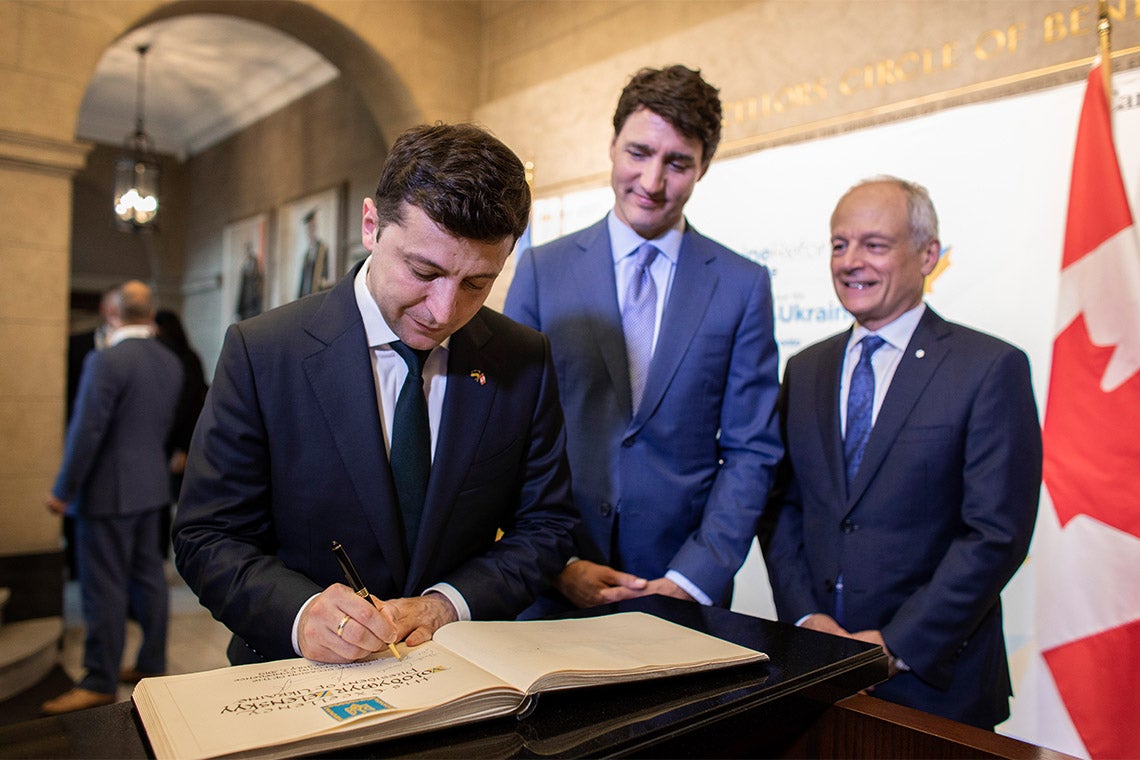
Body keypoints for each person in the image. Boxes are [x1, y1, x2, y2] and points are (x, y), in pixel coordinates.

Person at [173, 123, 578, 666]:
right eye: (423, 270)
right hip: (295, 672)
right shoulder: (264, 351)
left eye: (477, 284)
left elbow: (547, 526)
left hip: (460, 671)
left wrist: (447, 605)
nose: (443, 311)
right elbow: (208, 535)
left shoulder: (523, 358)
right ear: (371, 226)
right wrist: (298, 614)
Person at [762, 176, 1042, 729]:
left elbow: (995, 532)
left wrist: (895, 643)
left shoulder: (988, 368)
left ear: (928, 254)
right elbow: (781, 506)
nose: (849, 261)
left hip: (934, 684)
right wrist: (805, 616)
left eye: (874, 244)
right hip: (817, 668)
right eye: (839, 244)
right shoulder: (806, 369)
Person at [504, 65, 782, 614]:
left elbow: (753, 449)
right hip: (553, 581)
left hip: (681, 591)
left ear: (703, 167)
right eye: (638, 153)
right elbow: (506, 437)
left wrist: (695, 574)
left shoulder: (742, 285)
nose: (652, 183)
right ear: (611, 146)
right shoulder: (542, 270)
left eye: (677, 163)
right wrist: (556, 563)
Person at [43, 281, 183, 714]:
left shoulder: (105, 361)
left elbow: (87, 432)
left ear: (111, 312)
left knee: (102, 586)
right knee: (149, 579)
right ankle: (151, 662)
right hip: (151, 487)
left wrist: (63, 490)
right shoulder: (169, 361)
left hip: (107, 491)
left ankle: (99, 678)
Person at [154, 309, 208, 557]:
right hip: (173, 441)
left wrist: (182, 447)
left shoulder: (177, 358)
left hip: (177, 442)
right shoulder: (186, 356)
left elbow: (191, 405)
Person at [296, 208, 330, 298]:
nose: (310, 231)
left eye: (312, 227)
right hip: (305, 296)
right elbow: (302, 280)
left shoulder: (322, 249)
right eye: (308, 229)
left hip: (316, 294)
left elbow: (325, 275)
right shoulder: (306, 254)